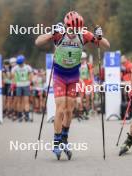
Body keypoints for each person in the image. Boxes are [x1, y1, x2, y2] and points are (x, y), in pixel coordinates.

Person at [35, 11, 110, 159]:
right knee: (60, 107)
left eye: (77, 29)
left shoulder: (83, 34)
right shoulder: (60, 33)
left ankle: (64, 138)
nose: (75, 31)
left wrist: (100, 37)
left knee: (69, 109)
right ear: (66, 26)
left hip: (73, 75)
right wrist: (51, 33)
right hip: (59, 75)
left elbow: (106, 45)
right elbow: (38, 41)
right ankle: (56, 141)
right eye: (72, 29)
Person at [11, 55, 33, 122]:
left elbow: (30, 75)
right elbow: (13, 77)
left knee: (23, 101)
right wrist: (14, 83)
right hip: (20, 85)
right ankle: (22, 116)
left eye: (21, 63)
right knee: (21, 101)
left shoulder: (18, 68)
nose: (20, 65)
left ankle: (24, 116)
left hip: (23, 85)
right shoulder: (26, 67)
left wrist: (30, 82)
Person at [79, 51, 94, 116]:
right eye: (81, 58)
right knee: (81, 97)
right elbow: (76, 74)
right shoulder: (78, 65)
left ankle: (87, 111)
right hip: (80, 82)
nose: (82, 60)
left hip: (87, 82)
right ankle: (81, 111)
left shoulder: (88, 65)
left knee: (88, 97)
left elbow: (91, 74)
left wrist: (92, 82)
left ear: (85, 58)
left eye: (83, 58)